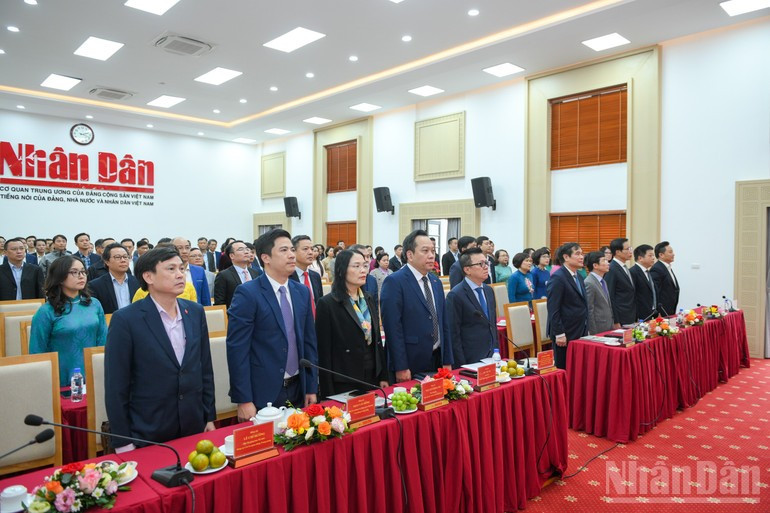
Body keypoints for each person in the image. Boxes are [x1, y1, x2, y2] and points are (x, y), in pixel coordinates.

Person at [105, 246, 216, 451]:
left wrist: (208, 415)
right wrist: (122, 440)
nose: (180, 274)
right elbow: (116, 385)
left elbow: (205, 368)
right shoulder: (126, 319)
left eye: (181, 268)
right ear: (148, 277)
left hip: (193, 423)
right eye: (171, 269)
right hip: (148, 428)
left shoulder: (195, 311)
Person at [226, 229, 318, 421]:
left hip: (298, 387)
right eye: (284, 250)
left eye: (292, 249)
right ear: (266, 258)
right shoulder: (248, 293)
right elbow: (237, 349)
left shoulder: (301, 291)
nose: (291, 255)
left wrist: (311, 386)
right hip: (263, 392)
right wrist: (244, 399)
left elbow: (309, 341)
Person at [381, 230, 453, 381]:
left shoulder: (435, 282)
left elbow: (444, 322)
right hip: (411, 360)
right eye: (425, 251)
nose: (431, 256)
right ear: (410, 255)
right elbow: (393, 328)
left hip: (437, 358)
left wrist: (447, 359)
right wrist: (400, 366)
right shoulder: (395, 282)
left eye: (433, 251)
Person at [315, 249, 388, 398]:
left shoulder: (368, 298)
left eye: (365, 265)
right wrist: (327, 392)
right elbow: (324, 352)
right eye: (356, 266)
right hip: (345, 378)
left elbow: (377, 341)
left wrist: (383, 375)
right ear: (342, 270)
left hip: (372, 373)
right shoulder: (328, 303)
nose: (363, 270)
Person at [30, 255, 107, 386]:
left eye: (83, 271)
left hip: (95, 374)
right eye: (74, 272)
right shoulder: (46, 311)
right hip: (61, 378)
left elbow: (103, 340)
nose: (81, 276)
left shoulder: (94, 304)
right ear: (59, 277)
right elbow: (37, 351)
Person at [446, 247, 498, 366]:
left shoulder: (489, 290)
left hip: (491, 357)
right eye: (481, 264)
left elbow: (492, 325)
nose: (486, 267)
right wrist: (461, 364)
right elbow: (453, 334)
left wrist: (496, 352)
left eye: (486, 263)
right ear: (467, 269)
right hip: (470, 359)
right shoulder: (456, 295)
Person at [546, 243, 588, 370]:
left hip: (580, 329)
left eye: (582, 254)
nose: (581, 257)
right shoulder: (558, 277)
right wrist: (559, 333)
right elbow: (553, 308)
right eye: (577, 254)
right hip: (565, 332)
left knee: (577, 367)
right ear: (566, 257)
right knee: (564, 368)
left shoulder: (579, 276)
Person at [88, 243, 140, 315]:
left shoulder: (138, 282)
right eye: (118, 257)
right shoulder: (95, 285)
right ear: (107, 261)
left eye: (125, 257)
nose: (123, 260)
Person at [213, 241, 259, 308]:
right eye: (241, 249)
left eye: (247, 249)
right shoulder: (223, 275)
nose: (246, 252)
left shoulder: (255, 273)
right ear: (232, 256)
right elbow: (220, 303)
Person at [605, 237, 636, 327]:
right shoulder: (612, 269)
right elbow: (610, 296)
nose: (630, 251)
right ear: (618, 252)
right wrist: (616, 320)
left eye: (630, 248)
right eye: (627, 249)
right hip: (620, 318)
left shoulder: (624, 267)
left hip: (630, 316)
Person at [172, 237, 211, 306]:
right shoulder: (168, 271)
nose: (184, 251)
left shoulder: (199, 271)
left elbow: (205, 298)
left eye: (187, 248)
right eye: (180, 248)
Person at [289, 235, 323, 314]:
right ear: (293, 251)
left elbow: (319, 303)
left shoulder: (315, 276)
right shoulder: (287, 277)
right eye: (305, 249)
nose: (311, 252)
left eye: (312, 249)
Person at [584, 251, 613, 335]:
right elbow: (590, 310)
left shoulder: (603, 281)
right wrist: (593, 332)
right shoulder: (589, 282)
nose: (608, 263)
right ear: (595, 265)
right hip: (598, 327)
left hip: (608, 325)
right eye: (604, 260)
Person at [629, 244, 658, 321]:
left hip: (650, 313)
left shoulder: (648, 272)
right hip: (639, 315)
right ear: (640, 258)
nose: (653, 258)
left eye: (653, 255)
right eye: (650, 255)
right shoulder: (633, 272)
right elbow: (632, 296)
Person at [650, 241, 680, 315]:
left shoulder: (667, 267)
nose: (673, 254)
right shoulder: (656, 269)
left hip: (671, 308)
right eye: (670, 252)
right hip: (662, 311)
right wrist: (658, 311)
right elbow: (655, 292)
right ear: (661, 255)